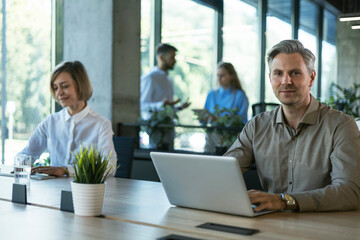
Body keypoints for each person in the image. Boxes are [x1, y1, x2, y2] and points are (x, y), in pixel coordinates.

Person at [225, 40, 360, 212]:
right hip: (271, 225)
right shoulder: (256, 126)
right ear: (270, 78)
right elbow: (222, 172)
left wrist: (285, 201)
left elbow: (349, 192)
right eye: (278, 73)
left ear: (311, 78)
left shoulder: (341, 126)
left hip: (324, 227)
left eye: (295, 73)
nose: (286, 81)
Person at [18, 61, 117, 177]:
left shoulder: (101, 125)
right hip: (54, 191)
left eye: (64, 86)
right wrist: (24, 164)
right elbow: (26, 154)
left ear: (80, 85)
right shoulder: (51, 122)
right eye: (55, 88)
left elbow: (109, 167)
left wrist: (66, 170)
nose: (59, 92)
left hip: (86, 192)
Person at [140, 43, 190, 119]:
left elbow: (167, 109)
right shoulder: (150, 78)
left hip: (169, 127)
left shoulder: (169, 80)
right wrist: (161, 105)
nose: (174, 61)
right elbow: (141, 106)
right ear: (161, 58)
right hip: (153, 128)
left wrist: (179, 108)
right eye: (172, 57)